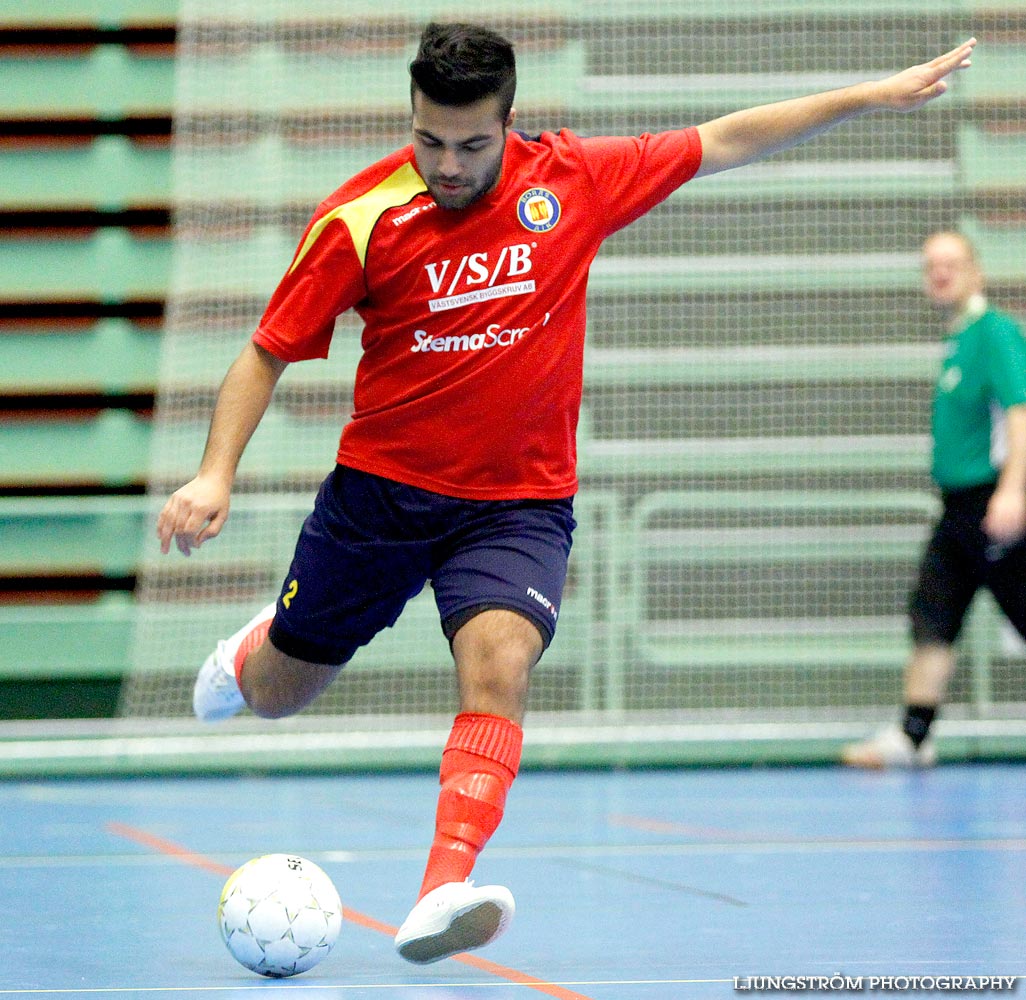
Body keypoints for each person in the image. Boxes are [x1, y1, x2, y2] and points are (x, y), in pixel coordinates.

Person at [156, 22, 976, 962]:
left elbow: (728, 138)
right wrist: (215, 472)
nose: (447, 164)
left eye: (470, 144)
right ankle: (258, 647)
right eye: (428, 140)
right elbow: (266, 351)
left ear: (509, 122)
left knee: (500, 664)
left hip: (518, 504)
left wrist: (868, 96)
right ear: (411, 120)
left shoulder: (574, 179)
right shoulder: (362, 216)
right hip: (379, 499)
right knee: (278, 695)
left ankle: (443, 885)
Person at [842, 231, 1026, 770]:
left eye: (951, 264)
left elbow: (1020, 413)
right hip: (958, 510)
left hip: (993, 504)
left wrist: (1015, 492)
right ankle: (913, 736)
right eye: (931, 267)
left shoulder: (994, 334)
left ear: (976, 269)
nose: (940, 274)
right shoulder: (959, 337)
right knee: (934, 608)